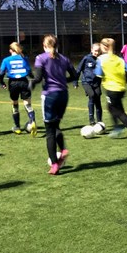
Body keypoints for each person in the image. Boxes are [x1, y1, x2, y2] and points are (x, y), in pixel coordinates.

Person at [30, 35, 77, 175]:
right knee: (56, 125)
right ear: (57, 45)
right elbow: (75, 76)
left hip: (50, 96)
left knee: (49, 131)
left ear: (44, 45)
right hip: (63, 95)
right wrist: (62, 81)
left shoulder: (41, 58)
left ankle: (55, 165)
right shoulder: (64, 58)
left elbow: (38, 78)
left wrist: (31, 83)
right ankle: (63, 149)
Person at [95, 38, 127, 141]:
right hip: (121, 89)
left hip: (111, 89)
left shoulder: (101, 59)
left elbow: (98, 75)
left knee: (119, 112)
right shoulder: (119, 59)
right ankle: (117, 128)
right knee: (111, 107)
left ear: (104, 47)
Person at [0, 42, 37, 135]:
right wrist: (33, 78)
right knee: (27, 104)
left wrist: (2, 82)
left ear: (10, 50)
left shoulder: (6, 60)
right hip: (24, 82)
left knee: (15, 104)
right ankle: (32, 122)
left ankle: (17, 127)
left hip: (13, 83)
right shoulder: (24, 58)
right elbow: (29, 71)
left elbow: (1, 73)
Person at [76, 43, 103, 125]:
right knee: (92, 95)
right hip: (86, 82)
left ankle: (99, 121)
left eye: (98, 51)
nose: (97, 53)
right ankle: (91, 118)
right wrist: (75, 81)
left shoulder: (101, 59)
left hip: (96, 83)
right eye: (95, 51)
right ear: (91, 50)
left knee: (97, 98)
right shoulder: (86, 58)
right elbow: (79, 69)